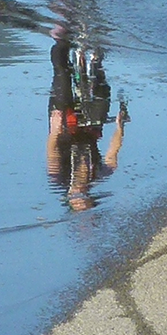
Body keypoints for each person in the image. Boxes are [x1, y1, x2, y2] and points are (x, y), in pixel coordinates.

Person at [46, 32, 125, 210]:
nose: (78, 194)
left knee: (61, 75)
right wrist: (120, 127)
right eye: (84, 200)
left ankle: (60, 40)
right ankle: (96, 61)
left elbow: (52, 152)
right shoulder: (98, 175)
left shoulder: (59, 178)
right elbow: (112, 154)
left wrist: (55, 130)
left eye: (75, 200)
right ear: (90, 197)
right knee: (101, 96)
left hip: (64, 128)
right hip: (90, 130)